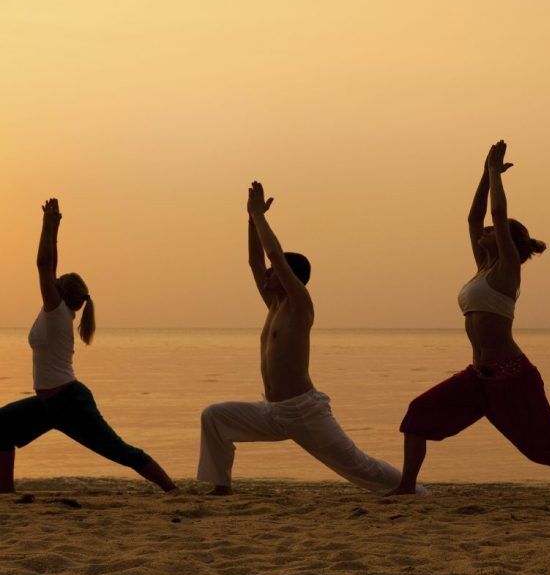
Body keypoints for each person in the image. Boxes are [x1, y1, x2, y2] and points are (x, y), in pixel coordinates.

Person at [389, 141, 550, 495]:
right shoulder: (482, 268)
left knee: (548, 443)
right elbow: (474, 218)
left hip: (512, 377)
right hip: (478, 377)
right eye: (485, 232)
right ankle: (407, 487)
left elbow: (498, 216)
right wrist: (483, 173)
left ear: (508, 243)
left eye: (492, 232)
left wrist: (495, 175)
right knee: (418, 414)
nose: (484, 231)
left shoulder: (507, 269)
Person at [197, 181, 421, 495]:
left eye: (275, 272)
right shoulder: (274, 306)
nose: (267, 275)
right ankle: (221, 487)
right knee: (215, 417)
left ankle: (412, 491)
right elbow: (255, 261)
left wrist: (260, 216)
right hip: (273, 411)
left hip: (302, 410)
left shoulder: (300, 305)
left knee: (357, 465)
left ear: (289, 276)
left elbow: (272, 253)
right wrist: (250, 219)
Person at [0, 199, 177, 494]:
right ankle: (4, 493)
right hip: (49, 404)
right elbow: (51, 265)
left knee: (118, 450)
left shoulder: (56, 313)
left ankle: (171, 490)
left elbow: (43, 265)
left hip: (69, 403)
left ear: (61, 293)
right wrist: (55, 227)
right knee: (1, 426)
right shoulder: (56, 312)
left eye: (57, 281)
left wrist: (46, 225)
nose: (51, 280)